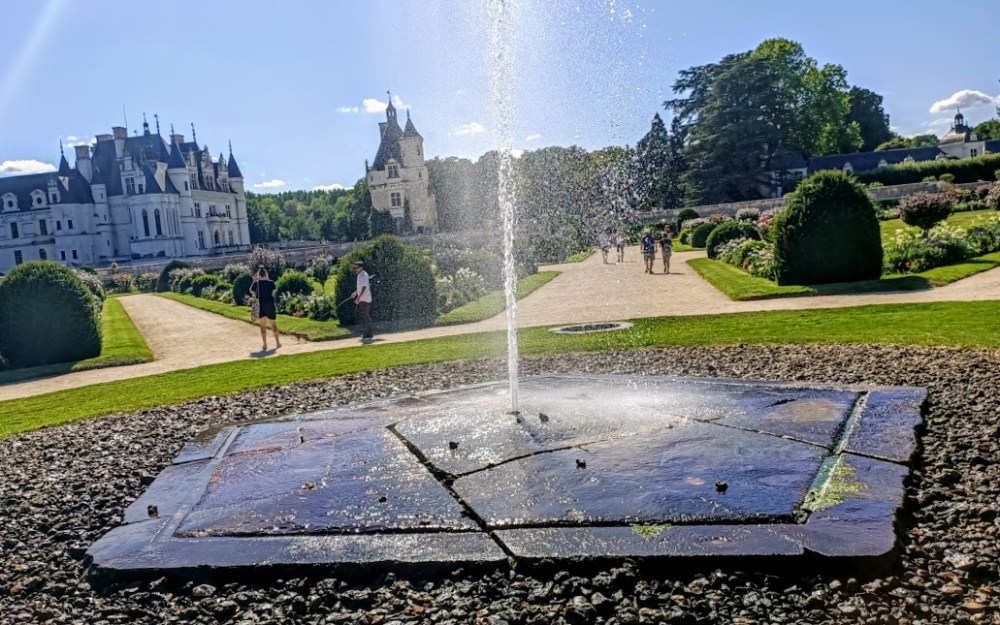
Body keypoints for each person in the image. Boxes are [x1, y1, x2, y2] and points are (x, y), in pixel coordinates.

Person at [249, 267, 281, 350]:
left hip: (260, 306)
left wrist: (254, 280)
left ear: (258, 275)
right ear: (266, 274)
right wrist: (267, 278)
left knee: (262, 327)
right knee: (273, 325)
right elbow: (275, 289)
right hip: (269, 305)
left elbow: (251, 291)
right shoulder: (271, 283)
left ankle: (265, 344)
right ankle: (277, 343)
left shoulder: (256, 283)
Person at [351, 260, 374, 342]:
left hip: (365, 299)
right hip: (362, 299)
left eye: (356, 267)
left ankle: (368, 334)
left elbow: (364, 288)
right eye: (354, 267)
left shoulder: (364, 275)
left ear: (361, 267)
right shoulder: (359, 275)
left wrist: (358, 298)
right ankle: (367, 333)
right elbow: (360, 287)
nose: (355, 269)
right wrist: (355, 293)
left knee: (365, 316)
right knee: (361, 316)